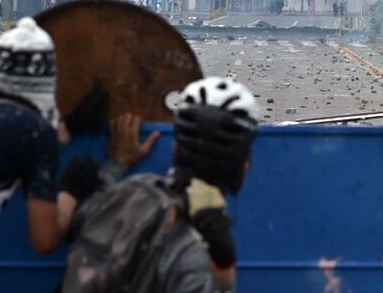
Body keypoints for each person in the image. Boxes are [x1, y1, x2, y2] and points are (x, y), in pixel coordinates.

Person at [0, 18, 157, 292]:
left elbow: (5, 148)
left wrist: (68, 129)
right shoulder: (35, 132)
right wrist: (73, 190)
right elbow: (45, 239)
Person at [62, 77, 260, 293]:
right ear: (244, 168)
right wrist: (224, 265)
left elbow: (79, 222)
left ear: (175, 149)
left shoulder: (129, 192)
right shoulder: (194, 254)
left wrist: (115, 165)